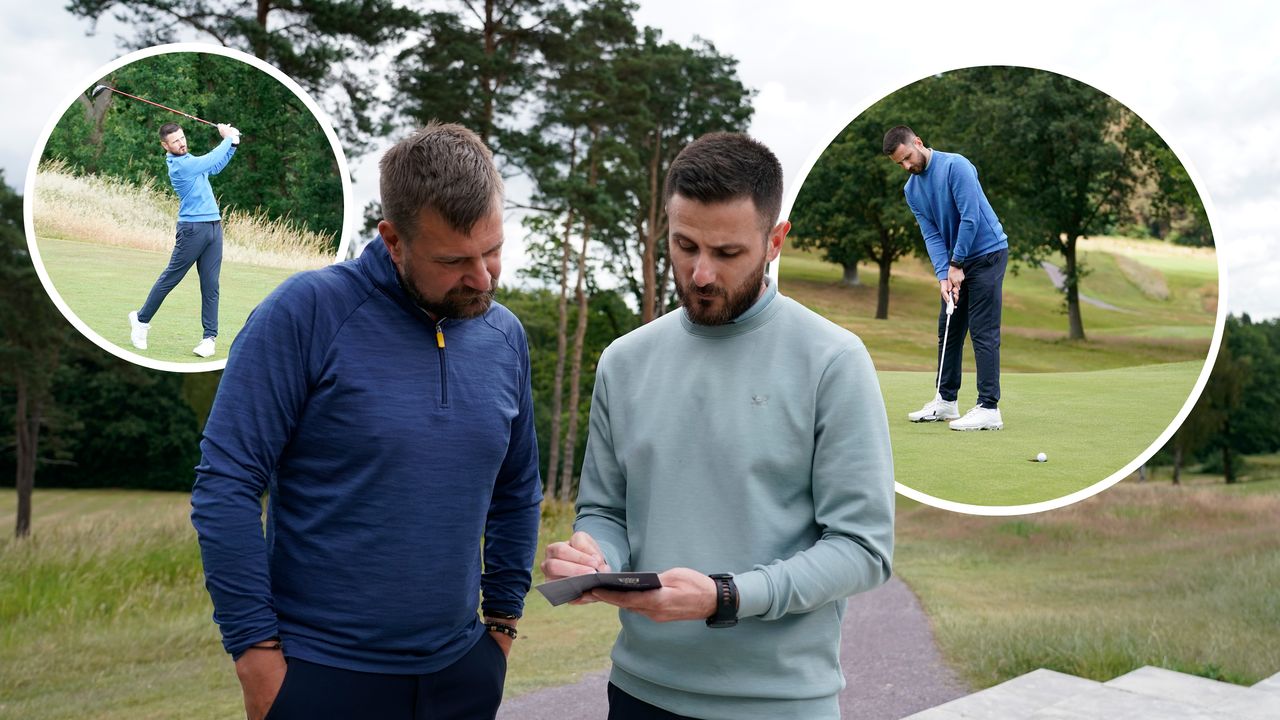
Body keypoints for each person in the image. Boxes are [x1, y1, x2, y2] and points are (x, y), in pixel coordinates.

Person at [190, 122, 542, 720]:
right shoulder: (304, 313)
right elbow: (225, 485)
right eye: (454, 260)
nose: (482, 278)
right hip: (321, 676)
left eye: (493, 251)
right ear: (393, 240)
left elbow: (516, 491)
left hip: (461, 674)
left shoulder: (504, 336)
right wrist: (257, 658)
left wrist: (502, 626)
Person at [541, 132, 895, 720]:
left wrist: (727, 596)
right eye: (684, 246)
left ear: (774, 241)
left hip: (780, 705)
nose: (700, 274)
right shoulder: (623, 362)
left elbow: (863, 549)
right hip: (639, 694)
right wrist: (591, 557)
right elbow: (605, 510)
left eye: (727, 253)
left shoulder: (833, 360)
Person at [883, 125, 1009, 431]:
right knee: (949, 328)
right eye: (900, 164)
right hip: (958, 263)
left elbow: (971, 217)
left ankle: (989, 408)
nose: (907, 166)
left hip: (987, 253)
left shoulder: (956, 166)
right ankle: (946, 400)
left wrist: (956, 264)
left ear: (919, 143)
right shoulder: (911, 190)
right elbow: (931, 234)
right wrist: (944, 275)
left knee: (982, 331)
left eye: (908, 158)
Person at [129, 121, 241, 357]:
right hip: (192, 229)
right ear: (165, 146)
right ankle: (141, 320)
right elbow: (209, 159)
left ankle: (209, 338)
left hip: (213, 226)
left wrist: (232, 146)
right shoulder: (180, 166)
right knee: (172, 277)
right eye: (175, 141)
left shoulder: (191, 162)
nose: (181, 143)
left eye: (182, 138)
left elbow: (215, 166)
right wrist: (227, 137)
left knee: (211, 284)